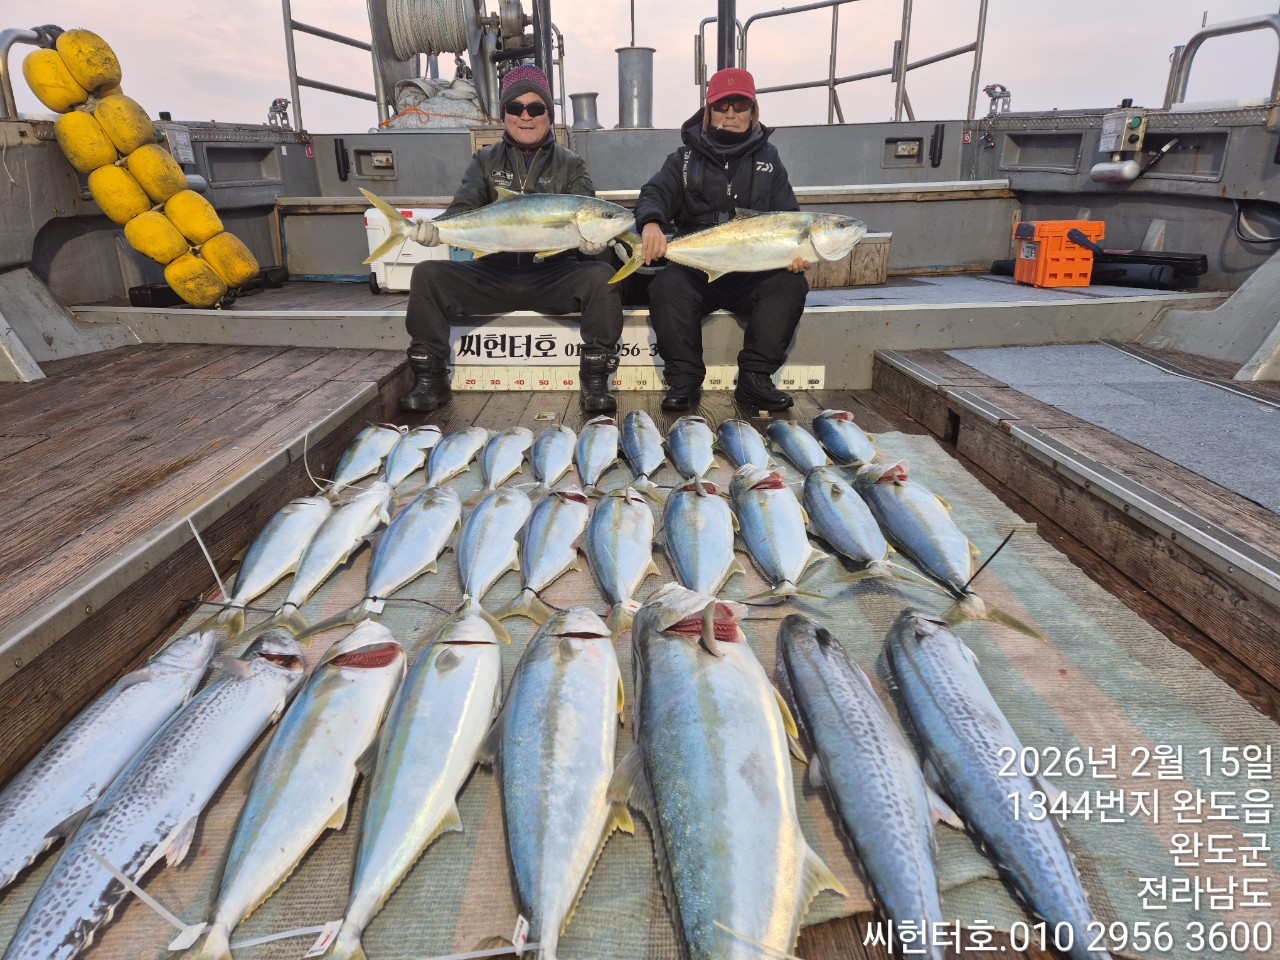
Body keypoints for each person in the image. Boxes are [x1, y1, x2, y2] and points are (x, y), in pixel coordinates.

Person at [400, 65, 622, 414]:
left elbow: (588, 213)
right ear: (504, 114)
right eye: (515, 108)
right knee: (428, 274)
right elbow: (463, 208)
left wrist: (594, 242)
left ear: (549, 113)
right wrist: (436, 230)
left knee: (601, 275)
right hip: (494, 274)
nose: (526, 116)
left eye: (536, 108)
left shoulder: (571, 164)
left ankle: (594, 382)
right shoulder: (485, 160)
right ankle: (431, 379)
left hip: (553, 274)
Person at [633, 67, 809, 412]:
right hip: (698, 268)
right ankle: (683, 381)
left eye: (739, 105)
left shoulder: (770, 160)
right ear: (708, 110)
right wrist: (652, 222)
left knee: (790, 284)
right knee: (668, 285)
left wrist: (796, 250)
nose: (730, 113)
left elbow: (789, 215)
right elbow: (654, 192)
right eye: (722, 105)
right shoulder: (682, 158)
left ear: (753, 110)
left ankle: (755, 380)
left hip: (751, 271)